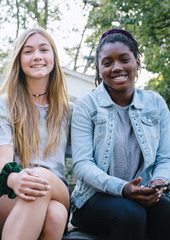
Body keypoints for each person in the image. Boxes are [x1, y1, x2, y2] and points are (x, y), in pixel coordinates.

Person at [70, 29, 170, 240]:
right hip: (94, 199)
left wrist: (158, 182)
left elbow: (165, 157)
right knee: (130, 214)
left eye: (124, 59)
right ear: (99, 69)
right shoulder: (87, 106)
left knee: (166, 210)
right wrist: (122, 188)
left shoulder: (155, 103)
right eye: (107, 63)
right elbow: (82, 164)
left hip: (145, 194)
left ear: (137, 62)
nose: (117, 68)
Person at [0, 27, 71, 240]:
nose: (37, 57)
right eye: (28, 51)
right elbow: (4, 163)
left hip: (57, 190)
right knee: (56, 215)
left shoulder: (68, 111)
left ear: (53, 57)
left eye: (44, 49)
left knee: (40, 178)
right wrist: (15, 178)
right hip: (9, 193)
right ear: (19, 60)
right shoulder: (2, 107)